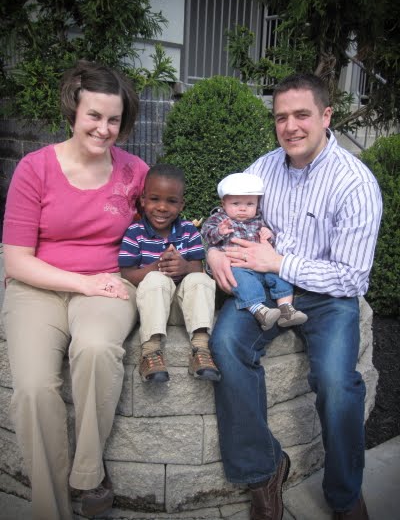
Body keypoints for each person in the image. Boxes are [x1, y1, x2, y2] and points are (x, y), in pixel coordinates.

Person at [207, 74, 382, 520]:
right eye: (281, 117)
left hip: (327, 296)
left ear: (326, 116)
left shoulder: (355, 184)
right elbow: (226, 217)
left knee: (337, 383)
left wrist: (280, 263)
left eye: (302, 114)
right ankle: (265, 470)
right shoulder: (263, 169)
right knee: (225, 345)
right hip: (262, 287)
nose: (290, 126)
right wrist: (213, 252)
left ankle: (345, 495)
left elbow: (351, 278)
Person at [1, 60, 149, 520]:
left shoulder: (134, 172)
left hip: (108, 284)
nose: (104, 129)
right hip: (37, 285)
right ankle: (51, 509)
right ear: (74, 111)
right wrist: (81, 282)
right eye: (94, 116)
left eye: (114, 120)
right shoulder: (35, 169)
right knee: (32, 389)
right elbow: (16, 260)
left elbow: (162, 228)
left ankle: (87, 474)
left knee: (97, 349)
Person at [119, 164, 221, 383]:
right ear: (143, 200)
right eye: (155, 199)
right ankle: (150, 351)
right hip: (152, 307)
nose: (162, 207)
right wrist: (156, 267)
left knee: (200, 278)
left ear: (181, 204)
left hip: (183, 309)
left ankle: (201, 348)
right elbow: (127, 275)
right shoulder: (135, 233)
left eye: (172, 201)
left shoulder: (188, 230)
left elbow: (197, 267)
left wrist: (184, 267)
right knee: (156, 279)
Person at [201, 172, 308, 330]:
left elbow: (269, 243)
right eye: (236, 203)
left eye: (250, 204)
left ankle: (286, 309)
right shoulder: (220, 220)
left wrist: (268, 235)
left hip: (263, 264)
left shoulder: (259, 220)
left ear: (257, 204)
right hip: (237, 266)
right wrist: (219, 231)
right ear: (224, 203)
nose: (243, 208)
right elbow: (206, 234)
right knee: (242, 282)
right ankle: (259, 310)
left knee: (280, 276)